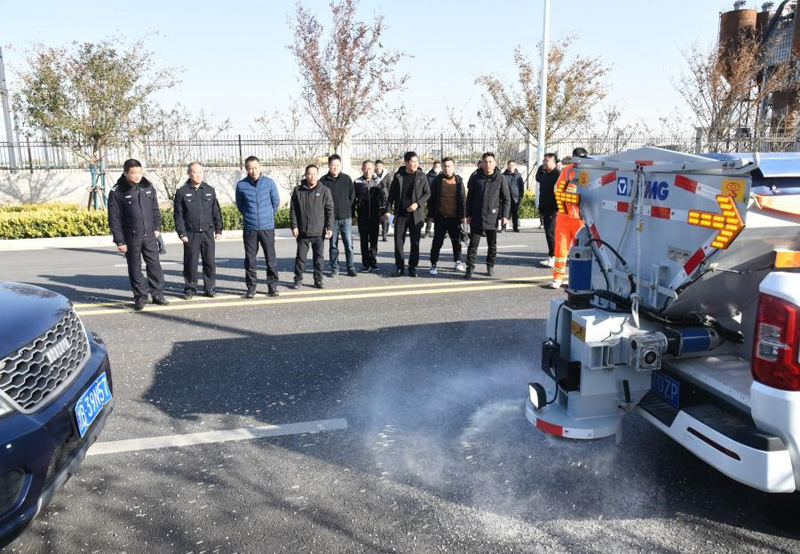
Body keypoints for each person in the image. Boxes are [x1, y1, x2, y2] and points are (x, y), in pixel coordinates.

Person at [107, 159, 168, 311]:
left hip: (150, 235)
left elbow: (155, 209)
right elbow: (114, 219)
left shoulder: (148, 187)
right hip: (131, 237)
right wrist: (120, 241)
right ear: (125, 173)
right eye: (133, 173)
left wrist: (157, 227)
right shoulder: (117, 191)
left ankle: (158, 294)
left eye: (139, 172)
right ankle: (140, 296)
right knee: (135, 268)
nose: (137, 176)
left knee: (154, 266)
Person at [173, 161, 223, 300]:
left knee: (209, 262)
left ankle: (209, 288)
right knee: (191, 263)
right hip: (191, 233)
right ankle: (190, 288)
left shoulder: (209, 190)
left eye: (200, 172)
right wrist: (181, 233)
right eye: (195, 172)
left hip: (207, 232)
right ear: (189, 173)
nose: (198, 175)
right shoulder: (182, 192)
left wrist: (218, 229)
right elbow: (178, 215)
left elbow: (216, 211)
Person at [235, 155, 281, 298]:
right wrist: (250, 216)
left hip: (267, 227)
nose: (253, 171)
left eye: (255, 168)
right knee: (250, 260)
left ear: (260, 167)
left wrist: (267, 214)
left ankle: (272, 287)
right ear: (246, 169)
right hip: (250, 228)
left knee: (270, 259)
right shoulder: (241, 185)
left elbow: (275, 202)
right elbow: (240, 205)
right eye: (250, 168)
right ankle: (251, 287)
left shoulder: (269, 183)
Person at [383, 151, 431, 277]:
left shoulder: (421, 176)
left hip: (416, 215)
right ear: (406, 162)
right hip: (400, 214)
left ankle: (412, 267)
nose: (415, 164)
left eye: (417, 162)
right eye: (412, 162)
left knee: (415, 243)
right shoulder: (398, 176)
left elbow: (427, 193)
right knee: (398, 242)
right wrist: (388, 211)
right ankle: (399, 267)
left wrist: (417, 204)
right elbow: (391, 196)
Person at [464, 152, 509, 279]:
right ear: (482, 164)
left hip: (492, 217)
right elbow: (470, 198)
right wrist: (468, 214)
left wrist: (504, 215)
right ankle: (469, 268)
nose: (488, 164)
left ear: (494, 163)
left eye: (490, 162)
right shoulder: (475, 177)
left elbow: (506, 199)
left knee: (492, 245)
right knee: (473, 245)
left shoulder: (500, 178)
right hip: (477, 216)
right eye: (485, 162)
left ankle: (490, 266)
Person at [290, 164, 334, 289]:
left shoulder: (324, 190)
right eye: (309, 174)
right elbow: (293, 210)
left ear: (318, 175)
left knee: (319, 258)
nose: (312, 176)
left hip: (318, 232)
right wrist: (294, 226)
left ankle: (318, 280)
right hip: (302, 231)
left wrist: (330, 227)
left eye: (314, 174)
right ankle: (298, 279)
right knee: (300, 258)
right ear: (305, 175)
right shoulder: (298, 190)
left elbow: (330, 210)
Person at [552, 147, 588, 288]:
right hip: (565, 216)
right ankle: (558, 278)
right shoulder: (567, 170)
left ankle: (577, 279)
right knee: (561, 249)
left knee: (580, 251)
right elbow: (557, 189)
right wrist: (573, 194)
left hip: (580, 219)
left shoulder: (589, 172)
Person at [427, 157, 466, 275]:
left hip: (455, 217)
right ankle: (433, 264)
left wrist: (463, 215)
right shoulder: (437, 181)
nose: (446, 168)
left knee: (457, 242)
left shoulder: (458, 181)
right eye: (444, 166)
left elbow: (463, 199)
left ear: (453, 167)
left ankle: (458, 261)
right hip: (441, 217)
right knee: (437, 242)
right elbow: (431, 199)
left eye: (449, 166)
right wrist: (431, 215)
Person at [320, 154, 357, 277]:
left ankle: (350, 267)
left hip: (346, 217)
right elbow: (321, 201)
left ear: (340, 165)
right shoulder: (323, 181)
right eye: (332, 165)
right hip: (331, 220)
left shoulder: (347, 179)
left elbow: (352, 197)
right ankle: (334, 268)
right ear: (328, 165)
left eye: (337, 165)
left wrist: (349, 210)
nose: (335, 168)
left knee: (349, 244)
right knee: (333, 245)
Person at [354, 160, 386, 271]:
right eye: (365, 169)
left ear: (373, 169)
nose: (367, 171)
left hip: (375, 216)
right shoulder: (357, 182)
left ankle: (373, 261)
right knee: (363, 241)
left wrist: (383, 212)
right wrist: (353, 214)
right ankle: (365, 263)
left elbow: (383, 197)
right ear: (362, 169)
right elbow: (353, 199)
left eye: (370, 169)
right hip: (362, 216)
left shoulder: (378, 182)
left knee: (374, 240)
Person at [535, 153, 560, 268]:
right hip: (546, 208)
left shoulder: (558, 175)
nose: (544, 163)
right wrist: (541, 208)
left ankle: (554, 257)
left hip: (554, 209)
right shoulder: (545, 174)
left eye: (547, 161)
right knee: (548, 232)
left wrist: (559, 209)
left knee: (551, 232)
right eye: (544, 160)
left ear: (554, 162)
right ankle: (552, 256)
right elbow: (543, 192)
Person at [502, 160, 525, 233]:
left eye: (513, 165)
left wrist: (521, 195)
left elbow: (521, 186)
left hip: (515, 198)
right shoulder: (503, 176)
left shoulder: (518, 176)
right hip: (506, 198)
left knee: (515, 213)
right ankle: (503, 227)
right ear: (507, 166)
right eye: (510, 165)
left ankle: (515, 227)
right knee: (505, 212)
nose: (511, 167)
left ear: (515, 166)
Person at [423, 160, 441, 238]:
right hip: (431, 198)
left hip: (440, 199)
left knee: (440, 216)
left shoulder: (442, 175)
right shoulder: (428, 176)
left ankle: (440, 233)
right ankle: (427, 232)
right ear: (433, 166)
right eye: (436, 166)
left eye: (438, 167)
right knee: (430, 216)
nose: (437, 168)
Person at [375, 159, 391, 242]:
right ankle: (375, 234)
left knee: (385, 217)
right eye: (377, 166)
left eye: (380, 166)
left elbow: (389, 186)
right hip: (375, 198)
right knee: (376, 217)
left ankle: (384, 234)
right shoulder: (373, 175)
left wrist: (389, 197)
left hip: (385, 199)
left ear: (382, 167)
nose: (378, 167)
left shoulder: (387, 175)